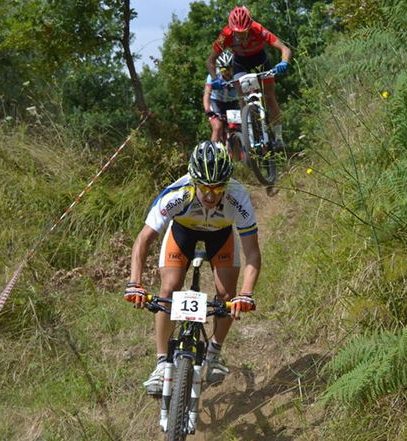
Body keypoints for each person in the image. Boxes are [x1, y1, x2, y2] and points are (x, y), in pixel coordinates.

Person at [124, 141, 261, 395]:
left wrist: (247, 293)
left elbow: (252, 252)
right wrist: (135, 282)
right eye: (204, 188)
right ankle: (162, 362)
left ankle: (214, 353)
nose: (210, 196)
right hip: (182, 232)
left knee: (227, 297)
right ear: (193, 180)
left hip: (220, 236)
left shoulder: (237, 196)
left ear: (226, 183)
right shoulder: (178, 193)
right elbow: (143, 239)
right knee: (169, 288)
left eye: (217, 188)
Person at [206, 5, 291, 146]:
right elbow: (210, 61)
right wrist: (215, 79)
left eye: (244, 32)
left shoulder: (258, 29)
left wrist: (284, 62)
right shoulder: (225, 35)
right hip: (240, 63)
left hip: (260, 60)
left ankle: (278, 136)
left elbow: (284, 49)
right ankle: (249, 130)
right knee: (242, 97)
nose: (240, 36)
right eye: (236, 33)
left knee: (270, 97)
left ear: (249, 27)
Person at [203, 50, 239, 144]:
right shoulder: (213, 75)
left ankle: (238, 153)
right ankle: (213, 153)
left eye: (229, 68)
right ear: (219, 68)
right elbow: (207, 94)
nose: (227, 72)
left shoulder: (237, 74)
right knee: (217, 127)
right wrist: (207, 110)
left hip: (232, 103)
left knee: (236, 128)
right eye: (223, 69)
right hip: (216, 103)